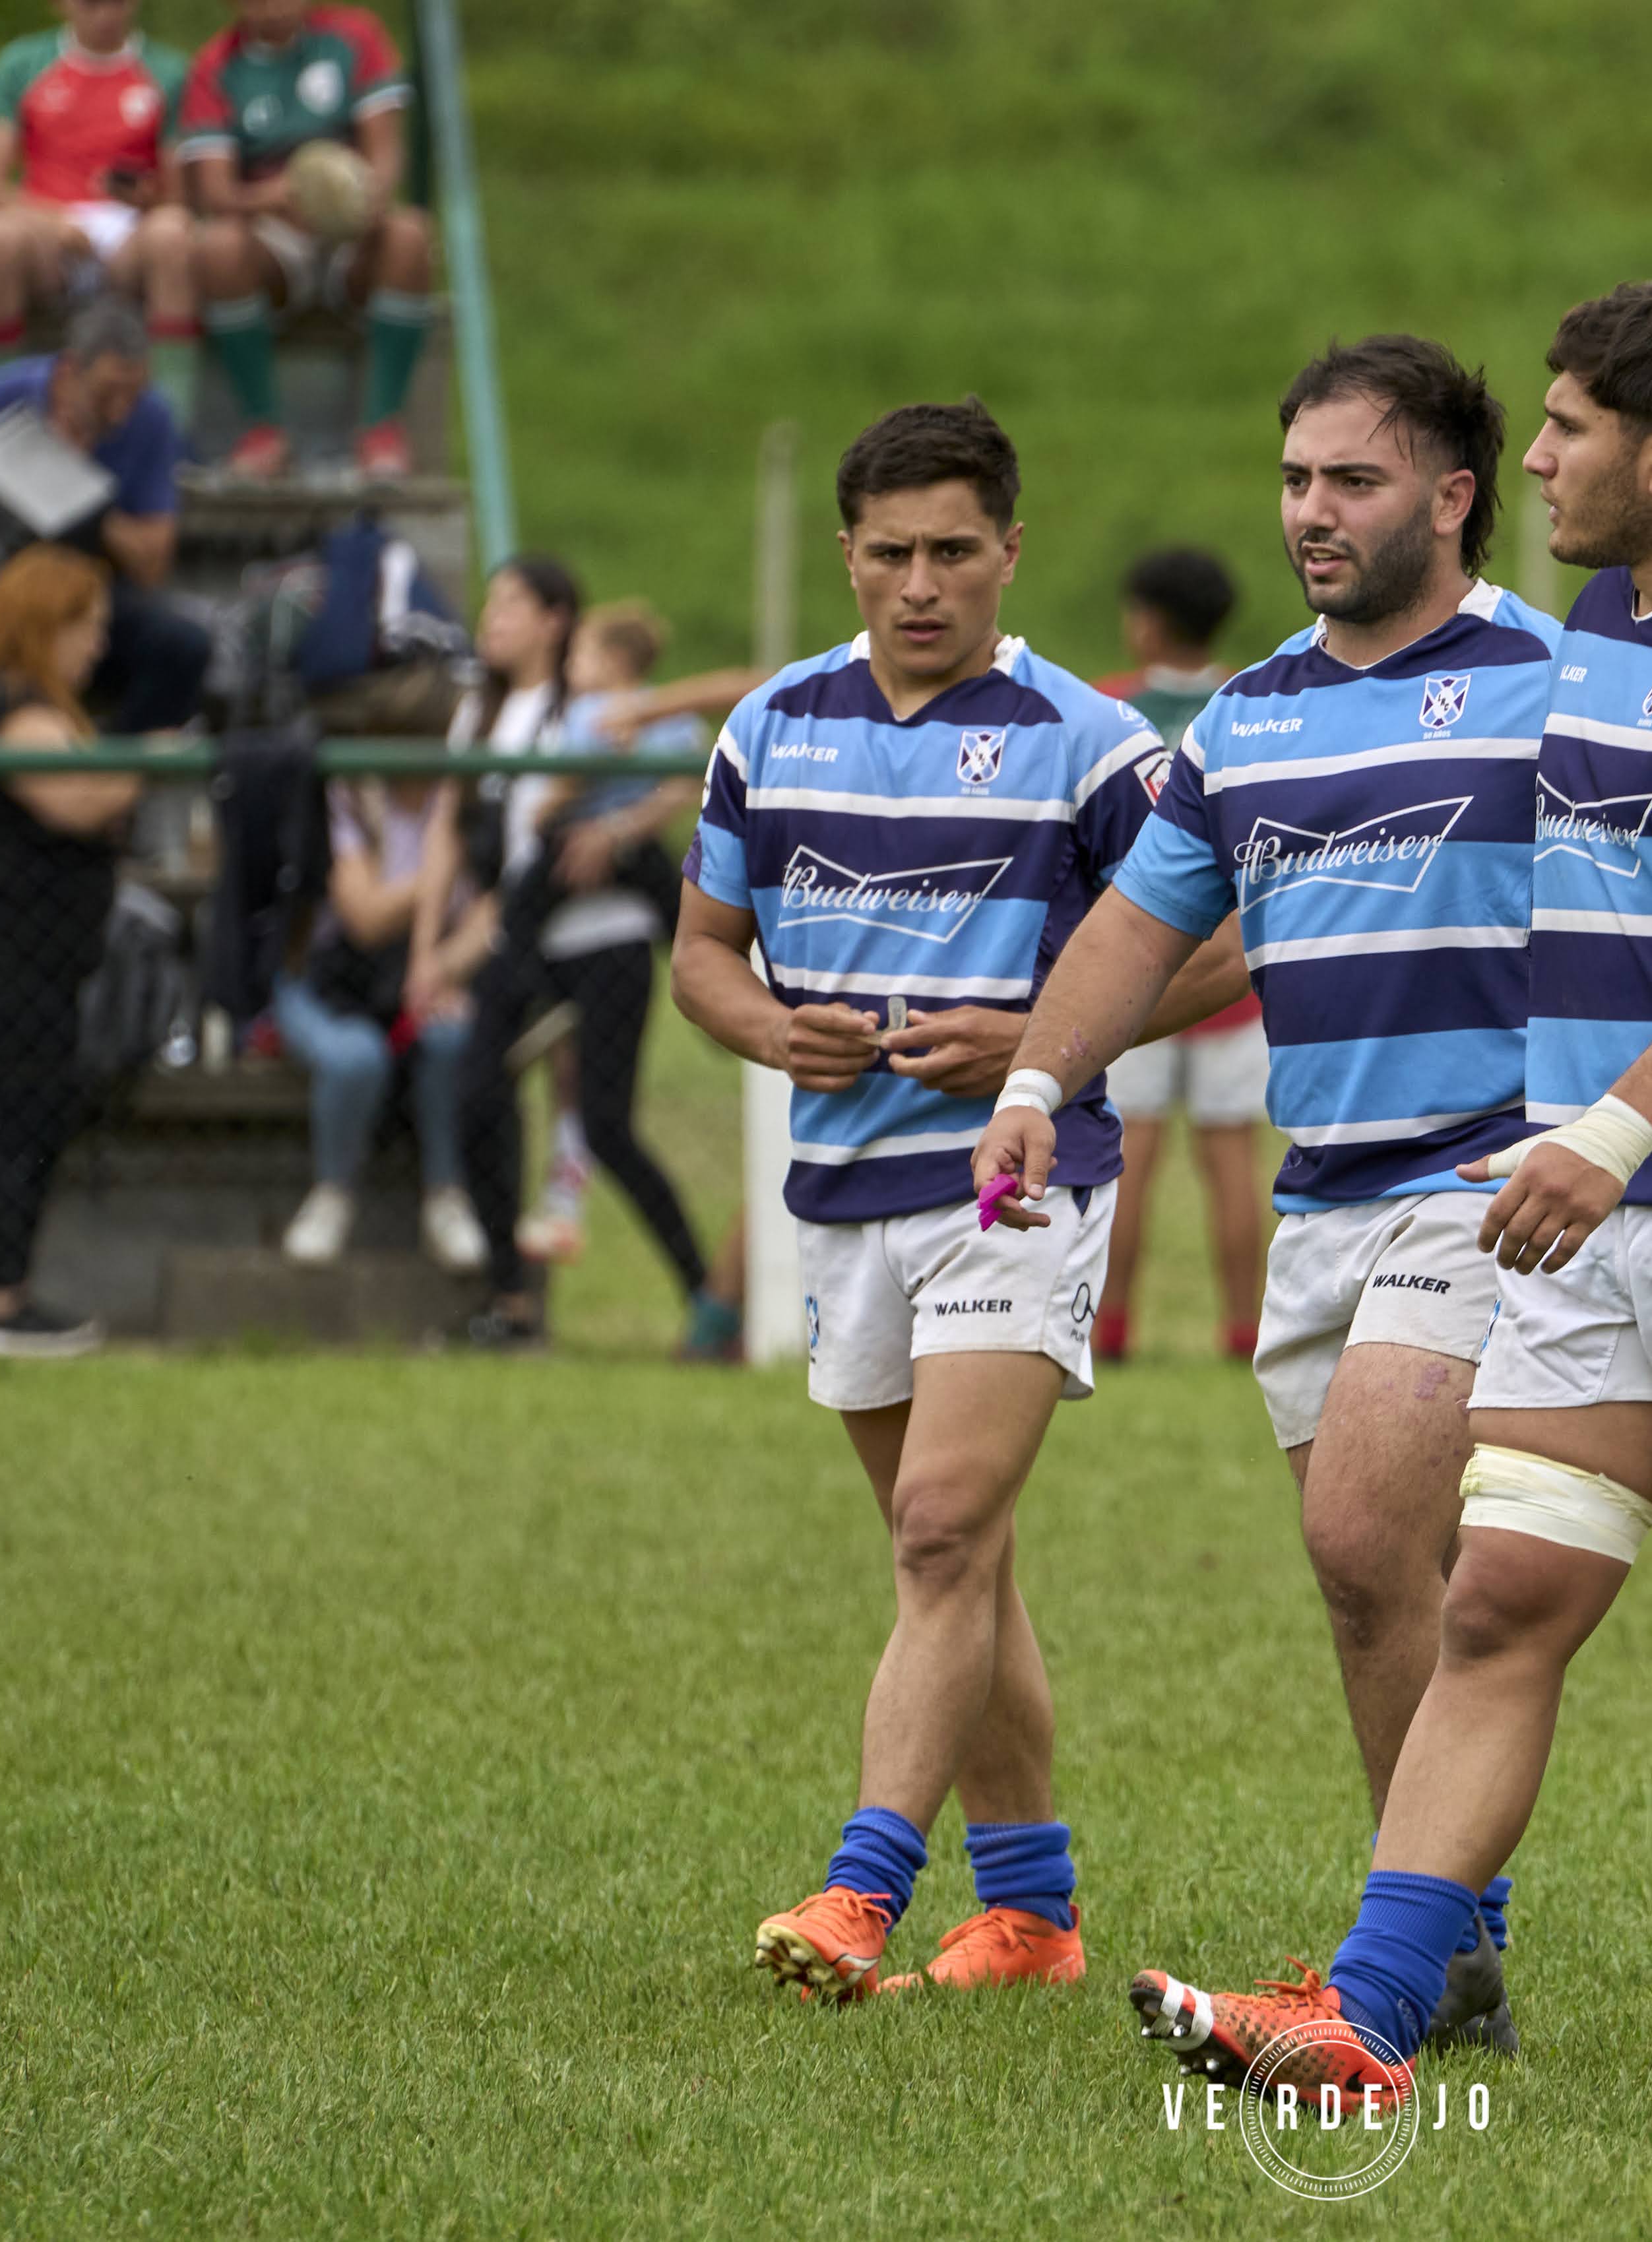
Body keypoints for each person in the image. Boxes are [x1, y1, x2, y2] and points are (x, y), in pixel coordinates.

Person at [1100, 278, 1652, 2123]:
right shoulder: (1609, 628)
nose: (1532, 460)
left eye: (1565, 426)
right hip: (1607, 1212)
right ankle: (1375, 2018)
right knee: (1503, 1596)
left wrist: (1601, 1132)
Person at [977, 338, 1558, 2050]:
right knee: (1377, 1584)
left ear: (1453, 497)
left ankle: (1391, 1963)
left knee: (1363, 1525)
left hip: (1493, 1171)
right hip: (1331, 1191)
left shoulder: (1557, 681)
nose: (1311, 511)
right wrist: (1034, 1077)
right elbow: (1142, 922)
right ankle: (1452, 1939)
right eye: (1296, 477)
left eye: (1352, 480)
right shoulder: (1250, 714)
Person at [670, 398, 1238, 2004]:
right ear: (847, 555)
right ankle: (1035, 1918)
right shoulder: (769, 728)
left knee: (938, 1528)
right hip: (838, 1196)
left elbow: (1226, 938)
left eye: (952, 552)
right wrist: (773, 1027)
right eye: (888, 554)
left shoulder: (1094, 743)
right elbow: (700, 956)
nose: (918, 584)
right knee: (958, 1561)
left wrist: (1049, 1039)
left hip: (1013, 1182)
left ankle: (861, 1892)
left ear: (1009, 551)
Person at [414, 556, 717, 1351]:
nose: (492, 618)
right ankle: (511, 1300)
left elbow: (680, 769)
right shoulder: (489, 714)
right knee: (479, 1093)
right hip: (525, 935)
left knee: (610, 1128)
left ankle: (706, 1296)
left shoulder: (595, 713)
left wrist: (613, 828)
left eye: (511, 603)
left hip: (603, 931)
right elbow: (482, 833)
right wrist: (439, 951)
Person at [507, 602, 757, 1295]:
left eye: (582, 657)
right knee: (685, 910)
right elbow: (691, 774)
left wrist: (582, 808)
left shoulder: (594, 719)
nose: (573, 671)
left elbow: (547, 804)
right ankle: (725, 996)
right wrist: (638, 818)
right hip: (642, 876)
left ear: (614, 665)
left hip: (580, 888)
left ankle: (524, 990)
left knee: (526, 913)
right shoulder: (670, 723)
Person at [0, 544, 136, 1357]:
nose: (98, 647)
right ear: (46, 625)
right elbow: (73, 798)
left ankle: (6, 1293)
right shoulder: (9, 704)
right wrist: (143, 763)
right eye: (88, 627)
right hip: (5, 953)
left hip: (29, 955)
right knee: (16, 1116)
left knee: (31, 1109)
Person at [1086, 544, 1263, 1364]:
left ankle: (1109, 1327)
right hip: (1236, 972)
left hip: (1141, 979)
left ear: (1146, 621)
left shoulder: (1112, 709)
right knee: (1233, 1167)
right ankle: (1244, 1331)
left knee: (1131, 1161)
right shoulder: (1252, 701)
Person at [0, 299, 210, 735]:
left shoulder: (151, 417)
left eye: (133, 394)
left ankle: (109, 775)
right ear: (69, 372)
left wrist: (77, 490)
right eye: (107, 394)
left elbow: (152, 565)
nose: (121, 411)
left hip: (82, 593)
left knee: (183, 646)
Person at [179, 0, 433, 481]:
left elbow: (385, 156)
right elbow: (216, 192)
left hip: (354, 230)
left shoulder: (355, 37)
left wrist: (359, 198)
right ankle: (264, 430)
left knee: (410, 234)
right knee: (217, 247)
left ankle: (381, 428)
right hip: (273, 233)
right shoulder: (216, 66)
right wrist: (277, 198)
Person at [273, 759, 493, 1273]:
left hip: (431, 980)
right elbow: (366, 916)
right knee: (357, 1059)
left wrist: (441, 966)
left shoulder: (474, 802)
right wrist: (440, 871)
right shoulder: (349, 796)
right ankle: (332, 1196)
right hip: (336, 985)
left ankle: (447, 1199)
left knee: (452, 1037)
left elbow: (495, 908)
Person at [0, 0, 198, 419]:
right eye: (90, 4)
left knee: (173, 231)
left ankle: (172, 426)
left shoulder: (170, 71)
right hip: (45, 224)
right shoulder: (23, 63)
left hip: (130, 233)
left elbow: (178, 196)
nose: (105, 15)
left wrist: (145, 197)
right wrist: (54, 222)